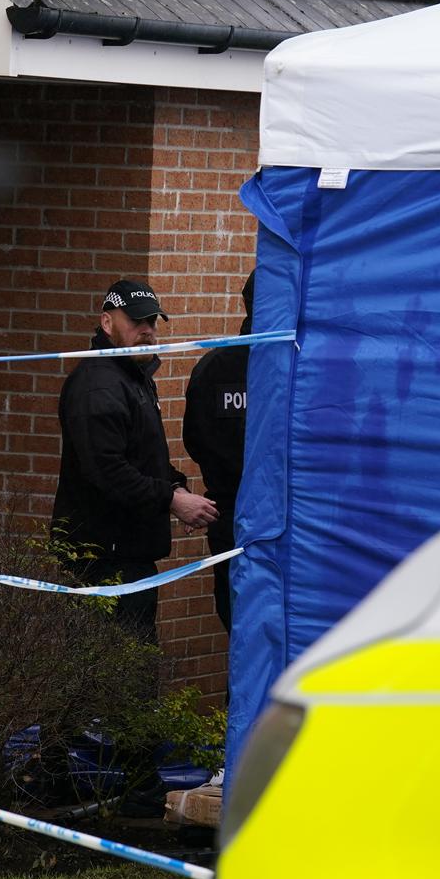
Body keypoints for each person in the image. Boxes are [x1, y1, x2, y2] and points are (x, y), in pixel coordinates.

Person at [51, 279, 218, 644]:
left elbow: (143, 457)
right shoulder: (98, 386)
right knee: (111, 678)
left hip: (131, 558)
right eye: (137, 322)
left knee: (134, 673)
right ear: (108, 323)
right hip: (103, 562)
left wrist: (176, 488)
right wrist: (172, 500)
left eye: (153, 322)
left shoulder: (134, 377)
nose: (148, 331)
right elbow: (107, 471)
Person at [183, 272, 256, 634]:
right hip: (288, 522)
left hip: (228, 519)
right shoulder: (301, 364)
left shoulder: (213, 366)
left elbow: (195, 440)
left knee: (240, 634)